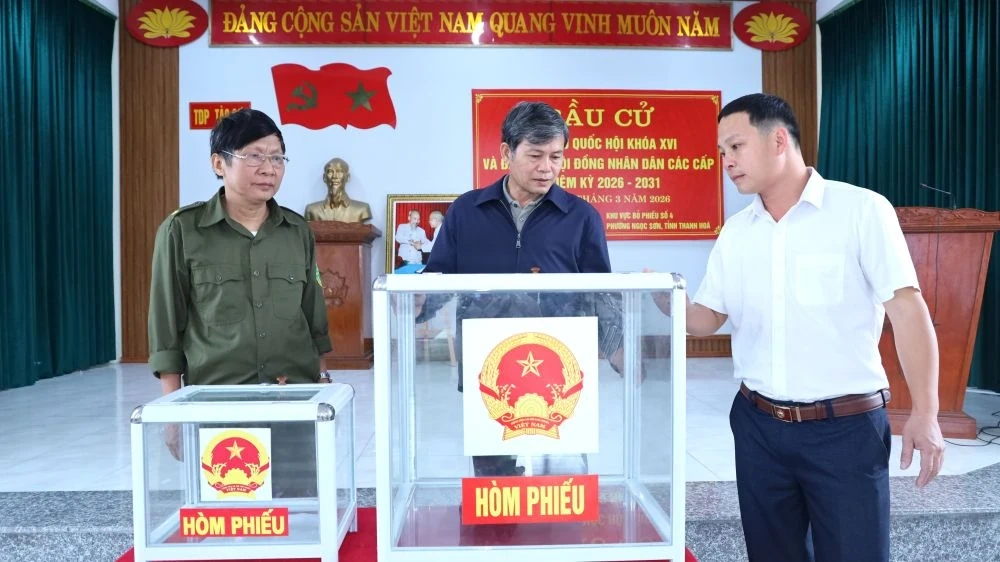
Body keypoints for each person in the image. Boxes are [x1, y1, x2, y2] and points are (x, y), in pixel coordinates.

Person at [654, 93, 945, 561]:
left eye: (736, 147)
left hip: (844, 430)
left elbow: (908, 312)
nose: (727, 162)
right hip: (758, 427)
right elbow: (708, 317)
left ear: (779, 141)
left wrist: (926, 412)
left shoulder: (860, 210)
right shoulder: (737, 231)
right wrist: (665, 299)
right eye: (722, 152)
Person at [419, 101, 623, 478]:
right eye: (535, 155)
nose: (547, 167)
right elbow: (438, 280)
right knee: (494, 483)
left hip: (559, 372)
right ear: (506, 152)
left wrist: (620, 351)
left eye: (556, 156)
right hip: (489, 371)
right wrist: (417, 303)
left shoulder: (581, 218)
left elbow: (602, 295)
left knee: (561, 483)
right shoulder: (466, 211)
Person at [147, 108, 333, 494]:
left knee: (299, 511)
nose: (269, 168)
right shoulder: (183, 230)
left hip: (291, 398)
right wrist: (171, 413)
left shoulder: (296, 231)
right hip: (218, 403)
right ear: (219, 163)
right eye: (254, 155)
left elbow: (314, 319)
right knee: (228, 515)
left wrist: (324, 387)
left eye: (277, 157)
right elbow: (166, 325)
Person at [304, 157, 373, 223]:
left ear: (348, 177)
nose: (334, 176)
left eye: (339, 171)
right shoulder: (312, 210)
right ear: (324, 178)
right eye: (330, 172)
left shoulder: (362, 209)